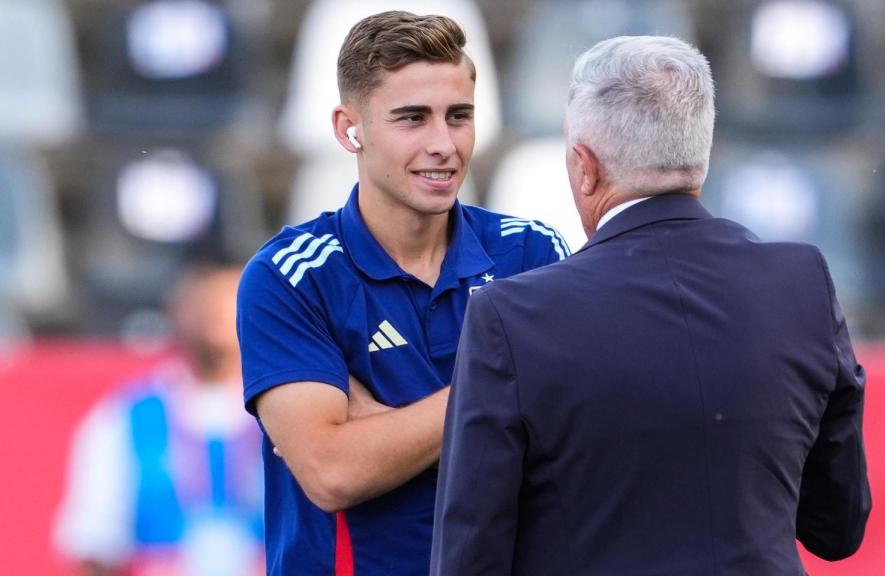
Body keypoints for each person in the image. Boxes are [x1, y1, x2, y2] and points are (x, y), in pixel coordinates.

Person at [431, 35, 871, 576]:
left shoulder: (512, 315)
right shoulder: (802, 282)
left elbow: (470, 557)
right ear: (699, 154)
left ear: (584, 167)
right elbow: (838, 525)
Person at [235, 11, 568, 576]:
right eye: (412, 119)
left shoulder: (532, 253)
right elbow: (332, 473)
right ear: (349, 129)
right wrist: (503, 391)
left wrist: (377, 426)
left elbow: (571, 445)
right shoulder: (291, 276)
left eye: (458, 116)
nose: (443, 143)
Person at [53, 262, 264, 576]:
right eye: (202, 303)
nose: (214, 316)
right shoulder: (125, 417)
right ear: (175, 310)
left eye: (227, 301)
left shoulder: (285, 412)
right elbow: (93, 545)